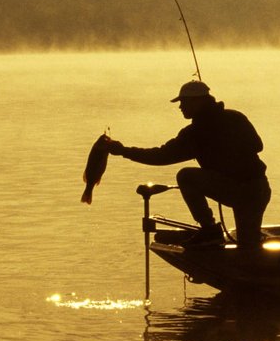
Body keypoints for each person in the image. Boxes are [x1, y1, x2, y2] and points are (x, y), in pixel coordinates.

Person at [106, 80, 270, 247]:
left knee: (186, 176)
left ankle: (210, 229)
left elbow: (160, 156)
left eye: (183, 102)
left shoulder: (195, 133)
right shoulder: (236, 117)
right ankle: (219, 237)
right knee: (248, 245)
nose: (180, 107)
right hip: (260, 189)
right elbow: (258, 145)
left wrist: (124, 151)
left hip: (242, 191)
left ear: (197, 101)